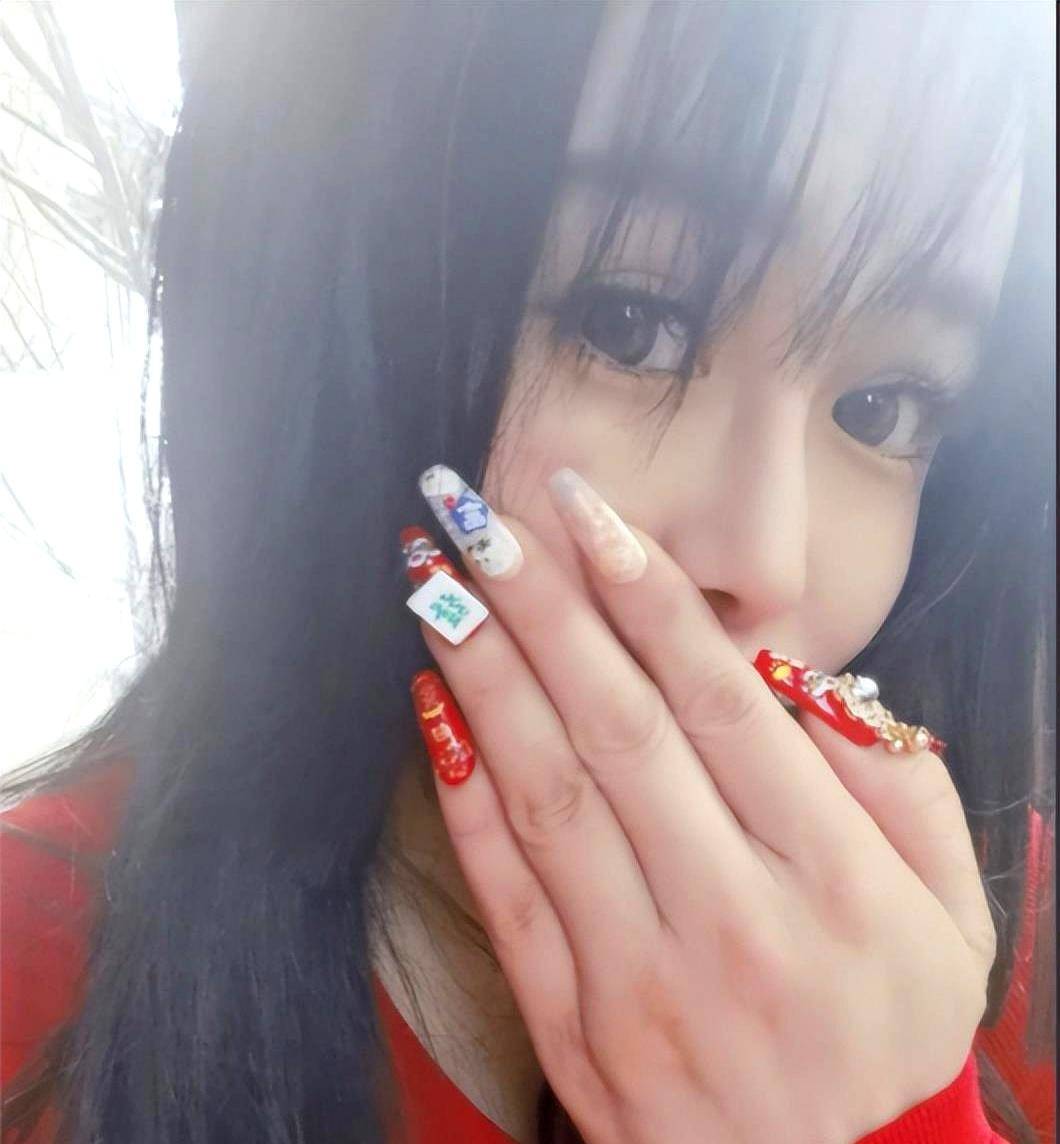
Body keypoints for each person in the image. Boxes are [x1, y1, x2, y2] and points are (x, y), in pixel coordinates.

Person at [1, 3, 1054, 1142]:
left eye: (884, 408)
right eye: (629, 323)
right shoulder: (35, 962)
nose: (767, 558)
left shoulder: (996, 928)